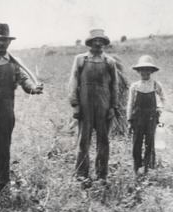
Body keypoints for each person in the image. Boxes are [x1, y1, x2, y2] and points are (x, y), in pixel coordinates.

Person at [0, 23, 43, 199]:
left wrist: (34, 88)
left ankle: (3, 185)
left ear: (9, 42)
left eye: (5, 41)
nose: (1, 44)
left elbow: (25, 81)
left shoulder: (15, 63)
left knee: (3, 148)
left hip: (5, 112)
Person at [68, 29, 119, 187]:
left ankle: (101, 175)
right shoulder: (80, 59)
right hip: (85, 105)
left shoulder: (109, 62)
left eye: (101, 41)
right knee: (84, 140)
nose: (98, 44)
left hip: (103, 105)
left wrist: (113, 107)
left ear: (104, 43)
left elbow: (114, 86)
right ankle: (81, 175)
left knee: (103, 141)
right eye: (95, 41)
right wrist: (75, 104)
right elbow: (73, 81)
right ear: (90, 43)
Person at [126, 55, 166, 176]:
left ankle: (148, 167)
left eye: (148, 69)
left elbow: (163, 98)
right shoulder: (135, 86)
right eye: (142, 69)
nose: (145, 72)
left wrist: (159, 108)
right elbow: (130, 103)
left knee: (150, 141)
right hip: (137, 117)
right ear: (138, 71)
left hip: (151, 117)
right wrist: (129, 120)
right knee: (137, 141)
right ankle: (136, 167)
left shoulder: (155, 85)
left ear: (152, 71)